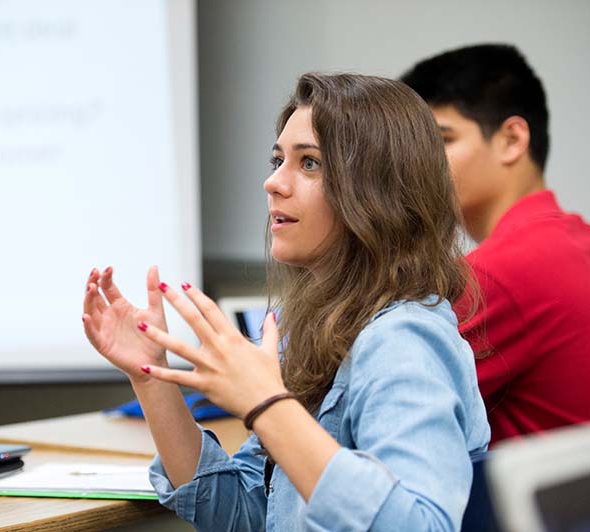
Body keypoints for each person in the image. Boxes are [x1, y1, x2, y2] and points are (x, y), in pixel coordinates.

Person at [82, 73, 490, 531]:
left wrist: (267, 403)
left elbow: (420, 526)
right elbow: (239, 515)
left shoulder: (401, 339)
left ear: (378, 192)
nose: (272, 182)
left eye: (309, 163)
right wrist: (151, 378)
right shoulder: (312, 332)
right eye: (278, 160)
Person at [401, 44, 590, 444]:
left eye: (440, 140)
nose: (415, 164)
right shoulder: (589, 244)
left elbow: (368, 412)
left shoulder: (495, 275)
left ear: (512, 139)